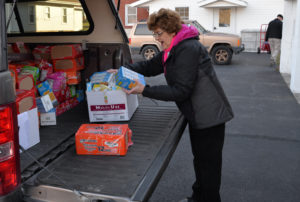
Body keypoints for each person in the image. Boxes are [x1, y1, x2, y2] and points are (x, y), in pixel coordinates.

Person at [109, 8, 233, 202]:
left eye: (159, 33)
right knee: (200, 161)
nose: (156, 38)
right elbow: (150, 66)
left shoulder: (188, 49)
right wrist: (122, 70)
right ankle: (198, 197)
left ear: (172, 30)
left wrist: (144, 90)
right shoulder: (173, 49)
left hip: (209, 115)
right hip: (198, 113)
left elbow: (180, 90)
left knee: (208, 166)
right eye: (154, 33)